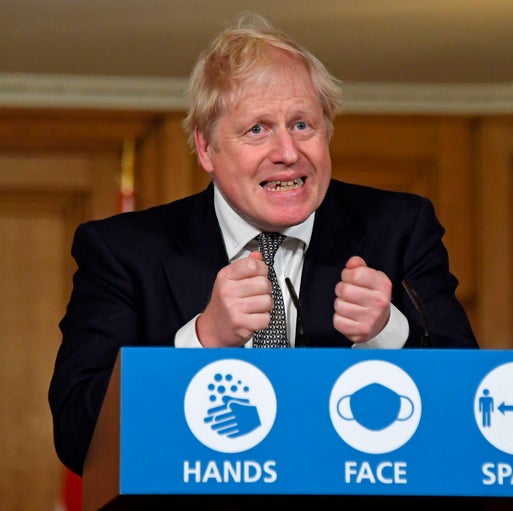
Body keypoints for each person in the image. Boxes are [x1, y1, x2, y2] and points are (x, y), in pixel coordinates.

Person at [48, 11, 477, 478]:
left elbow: (470, 416)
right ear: (207, 148)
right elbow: (78, 435)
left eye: (302, 125)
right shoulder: (123, 251)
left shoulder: (399, 228)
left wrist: (388, 334)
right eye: (258, 129)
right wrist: (202, 340)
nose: (288, 153)